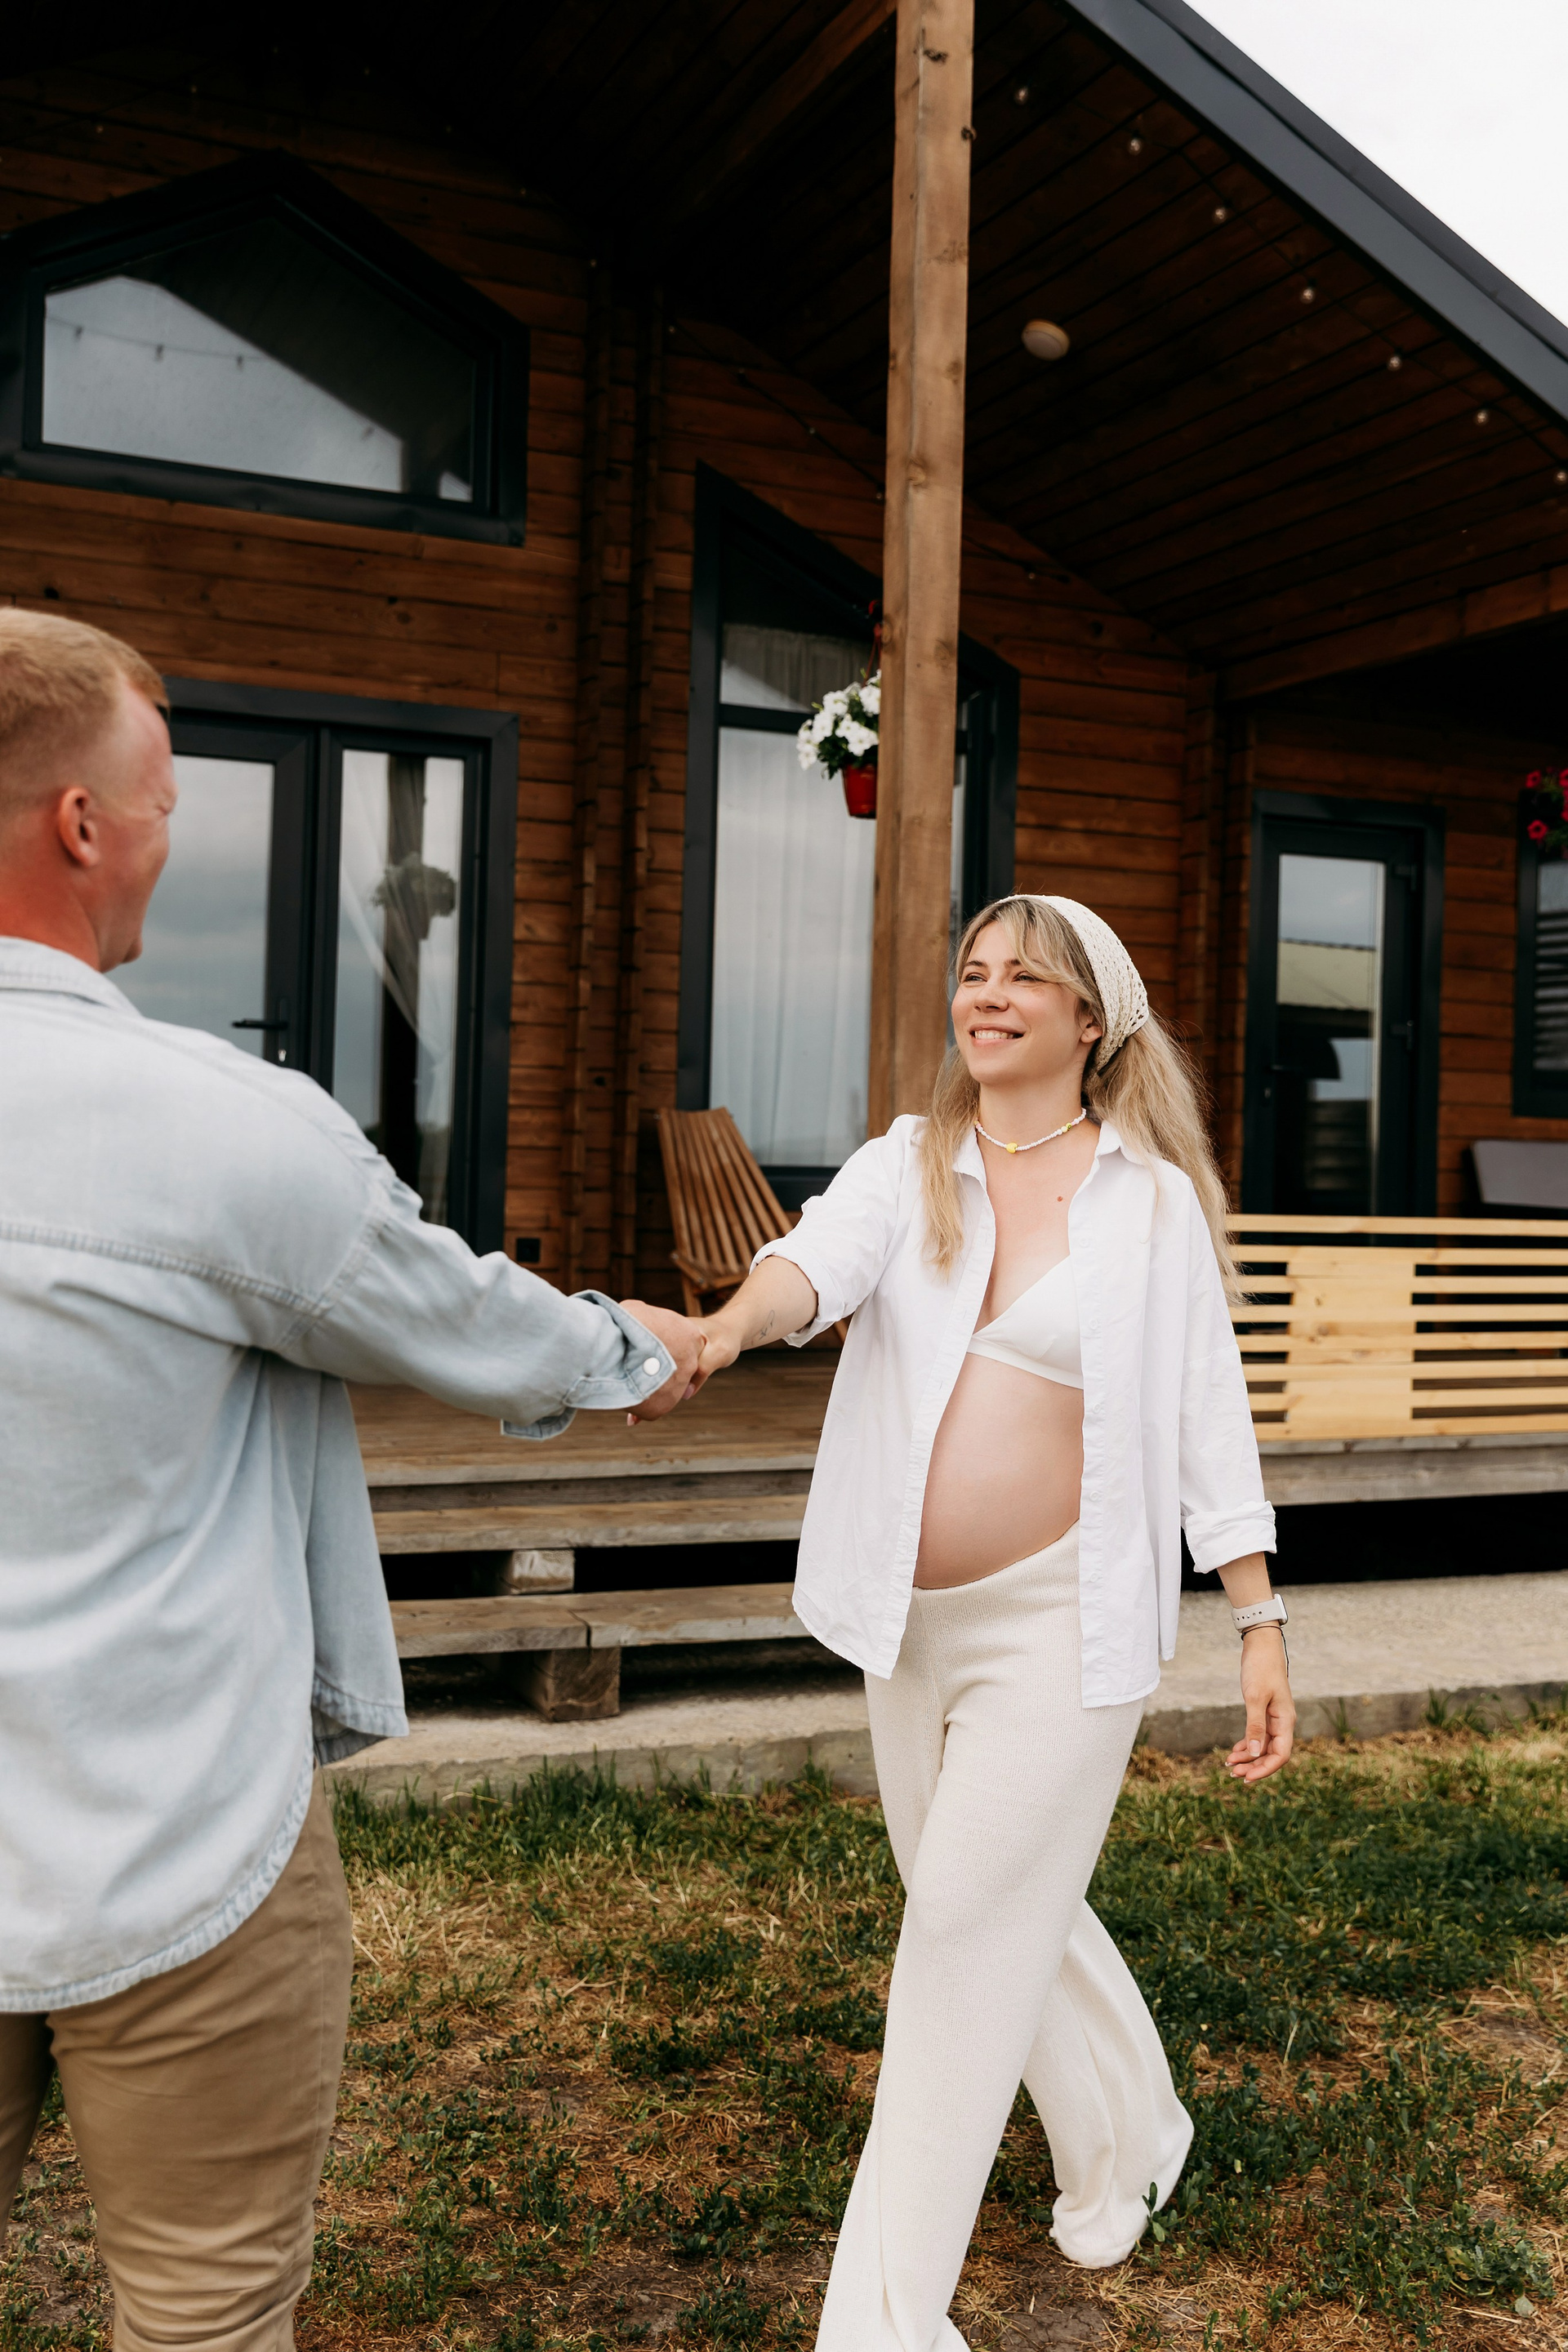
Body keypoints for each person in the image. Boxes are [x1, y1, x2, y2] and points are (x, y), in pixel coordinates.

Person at [0, 609, 702, 2350]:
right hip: (174, 1848)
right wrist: (638, 1347)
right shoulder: (217, 1126)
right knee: (207, 2311)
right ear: (82, 825)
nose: (169, 840)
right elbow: (467, 1324)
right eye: (166, 804)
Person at [683, 893, 1292, 2350]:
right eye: (974, 972)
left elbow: (1209, 1414)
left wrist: (1258, 1617)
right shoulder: (911, 1163)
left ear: (1091, 1019)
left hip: (1064, 1628)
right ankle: (1135, 2130)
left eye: (1026, 977)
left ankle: (883, 2323)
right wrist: (721, 1330)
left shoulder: (1152, 1202)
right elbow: (811, 1266)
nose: (990, 995)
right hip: (912, 1621)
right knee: (1000, 1905)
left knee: (958, 1943)